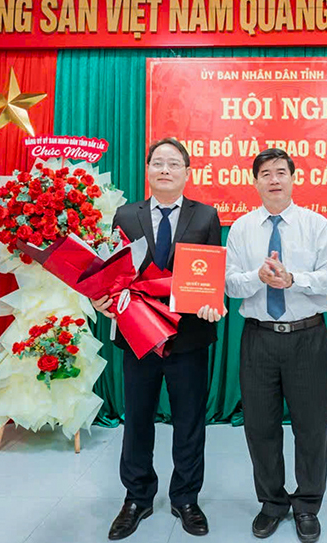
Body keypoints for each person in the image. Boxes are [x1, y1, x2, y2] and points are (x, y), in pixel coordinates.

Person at [93, 138, 223, 540]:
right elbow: (113, 272)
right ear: (147, 170)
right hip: (139, 335)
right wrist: (101, 298)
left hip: (189, 336)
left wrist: (212, 302)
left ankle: (186, 498)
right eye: (158, 163)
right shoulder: (124, 215)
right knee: (137, 419)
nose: (165, 170)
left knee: (189, 421)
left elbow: (210, 275)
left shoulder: (206, 216)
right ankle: (137, 498)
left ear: (187, 172)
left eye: (173, 164)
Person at [225, 148, 327, 543]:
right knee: (260, 426)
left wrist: (294, 279)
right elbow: (229, 284)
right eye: (265, 173)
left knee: (311, 427)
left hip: (307, 337)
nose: (274, 179)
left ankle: (307, 504)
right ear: (255, 181)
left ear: (293, 178)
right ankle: (272, 503)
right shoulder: (241, 228)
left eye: (280, 172)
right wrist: (257, 277)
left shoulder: (316, 224)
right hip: (258, 338)